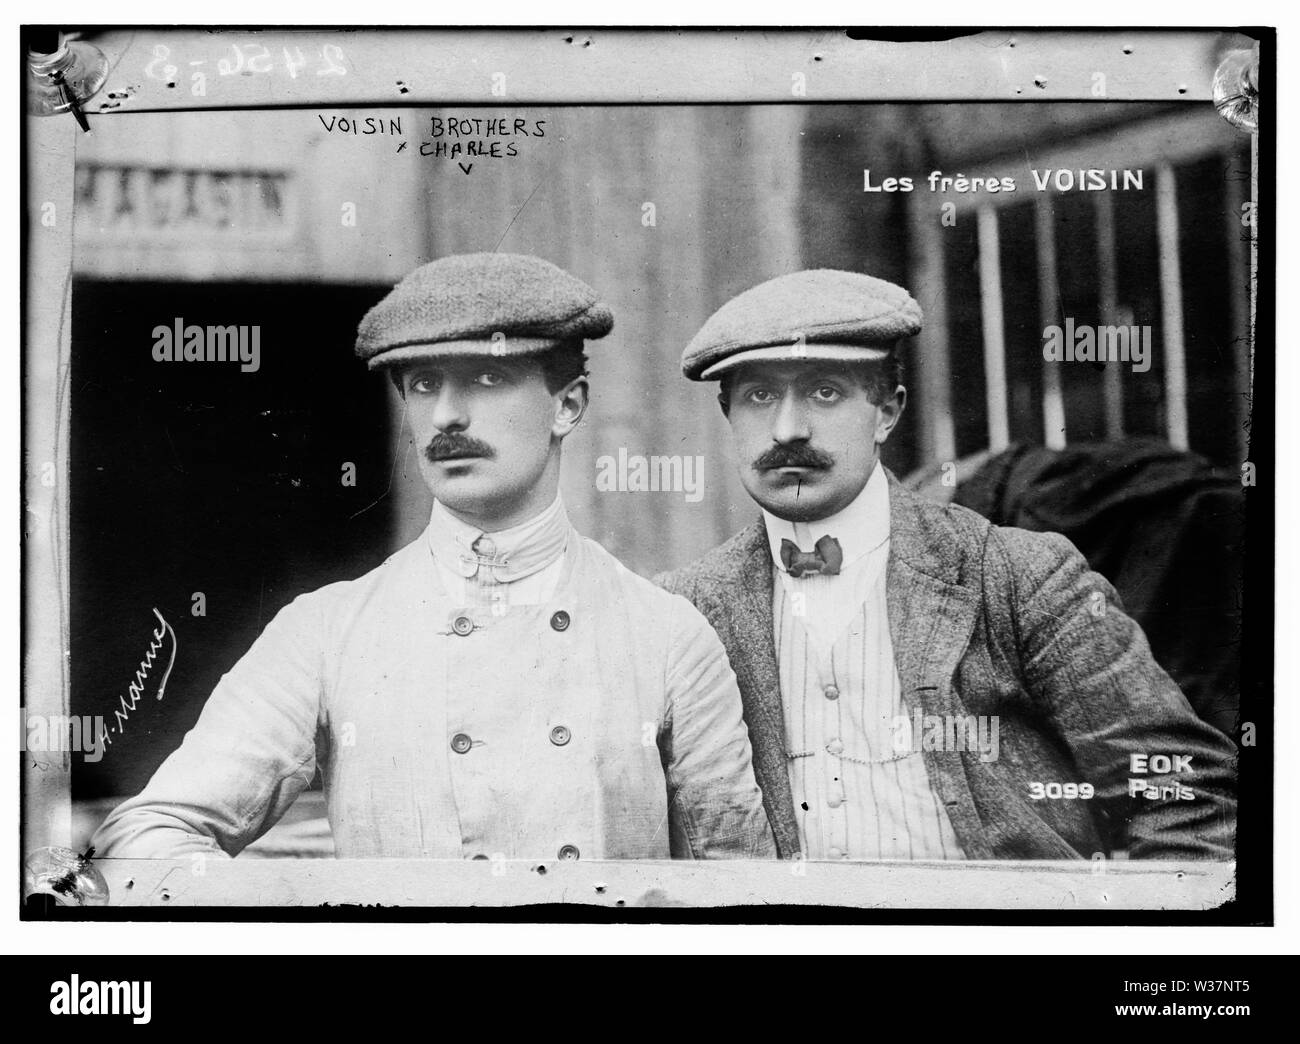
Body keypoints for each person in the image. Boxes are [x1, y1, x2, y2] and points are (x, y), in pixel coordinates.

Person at [92, 253, 774, 861]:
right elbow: (146, 836)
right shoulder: (326, 634)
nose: (447, 415)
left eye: (484, 377)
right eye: (422, 384)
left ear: (568, 406)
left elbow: (742, 895)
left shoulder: (666, 637)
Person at [655, 268, 1237, 862]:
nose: (787, 429)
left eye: (825, 391)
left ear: (887, 411)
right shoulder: (685, 609)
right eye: (759, 396)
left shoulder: (1019, 577)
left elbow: (1181, 797)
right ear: (728, 415)